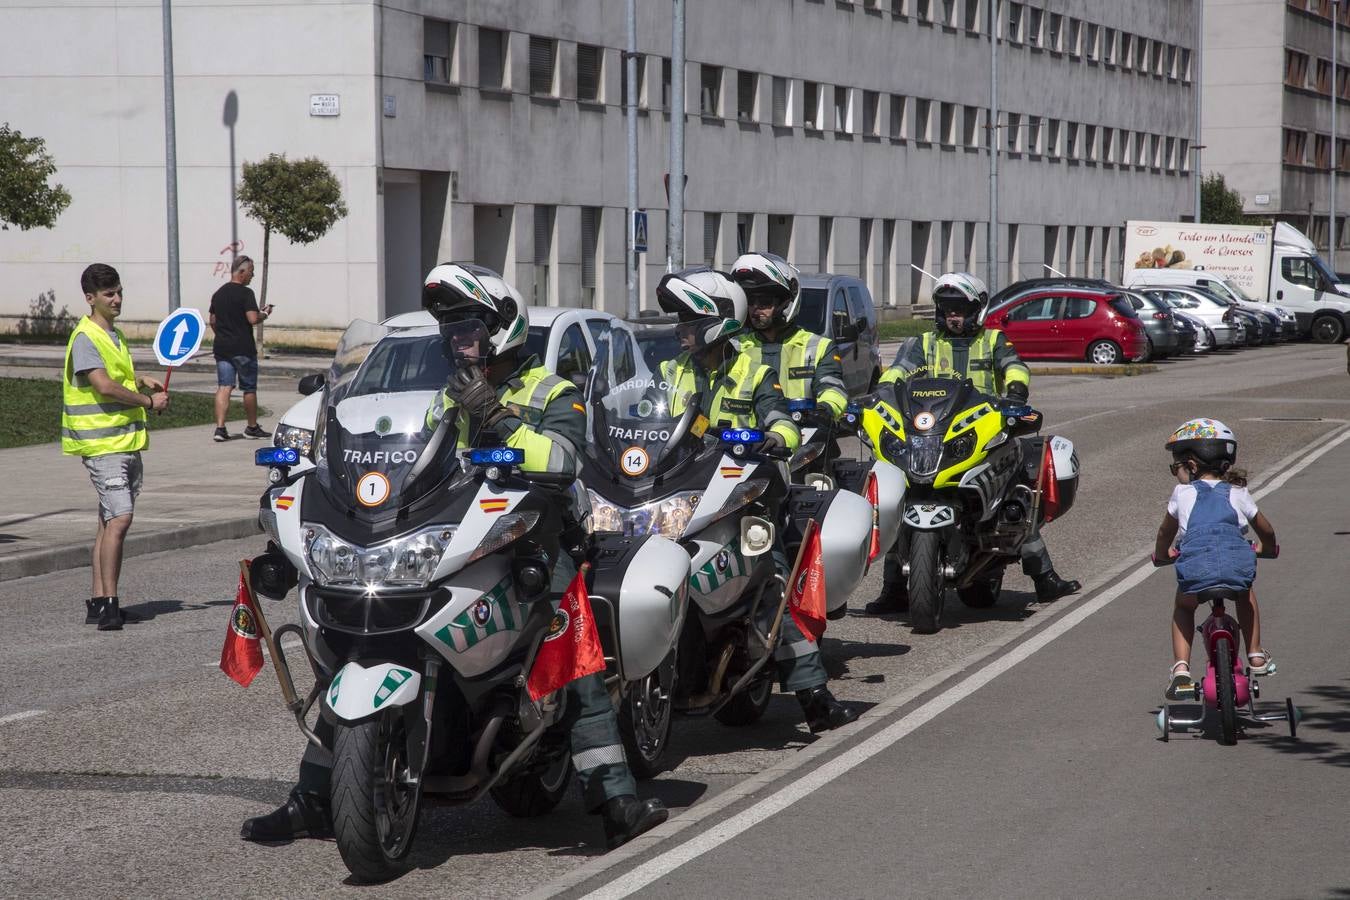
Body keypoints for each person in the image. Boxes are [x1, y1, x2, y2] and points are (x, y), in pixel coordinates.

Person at [241, 264, 667, 851]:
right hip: (459, 535)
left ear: (502, 330)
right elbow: (415, 459)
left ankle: (615, 798)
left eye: (468, 328)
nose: (457, 340)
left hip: (536, 540)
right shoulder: (446, 394)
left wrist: (494, 413)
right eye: (451, 330)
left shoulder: (552, 392)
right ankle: (314, 797)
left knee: (569, 644)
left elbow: (565, 461)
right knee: (360, 646)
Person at [656, 268, 857, 733]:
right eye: (680, 321)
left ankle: (814, 697)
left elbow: (781, 420)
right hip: (681, 493)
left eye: (689, 322)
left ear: (715, 325)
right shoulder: (671, 371)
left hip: (745, 497)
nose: (681, 330)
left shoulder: (754, 371)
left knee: (772, 583)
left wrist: (776, 438)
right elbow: (644, 414)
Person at [865, 272, 1080, 614]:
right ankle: (894, 589)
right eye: (947, 308)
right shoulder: (924, 343)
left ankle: (1044, 577)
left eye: (961, 309)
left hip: (985, 431)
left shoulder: (993, 340)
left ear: (977, 310)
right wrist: (880, 394)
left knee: (1015, 492)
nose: (954, 315)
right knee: (900, 496)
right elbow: (898, 372)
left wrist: (1016, 393)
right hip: (933, 432)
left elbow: (1015, 368)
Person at [62, 264, 169, 630]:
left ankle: (98, 601)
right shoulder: (85, 336)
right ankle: (110, 604)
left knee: (108, 520)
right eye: (109, 294)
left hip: (123, 442)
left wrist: (140, 378)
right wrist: (147, 401)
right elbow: (103, 385)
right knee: (121, 518)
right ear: (90, 298)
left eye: (119, 292)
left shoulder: (114, 335)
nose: (117, 299)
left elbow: (114, 376)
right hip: (102, 444)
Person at [1153, 419, 1277, 700]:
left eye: (1176, 467)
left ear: (1191, 466)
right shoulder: (1238, 492)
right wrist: (1267, 548)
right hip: (1236, 563)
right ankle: (1256, 654)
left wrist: (1162, 555)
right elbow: (1266, 530)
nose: (1175, 474)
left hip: (1197, 566)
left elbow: (1164, 532)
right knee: (1245, 594)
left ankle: (1181, 669)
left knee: (1184, 606)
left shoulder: (1182, 493)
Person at [209, 255, 271, 442]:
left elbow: (213, 320)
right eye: (251, 272)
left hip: (222, 348)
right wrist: (264, 314)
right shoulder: (246, 293)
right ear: (241, 272)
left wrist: (223, 334)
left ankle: (220, 428)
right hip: (243, 348)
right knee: (249, 388)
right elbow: (252, 319)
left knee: (224, 386)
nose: (253, 275)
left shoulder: (218, 293)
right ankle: (252, 427)